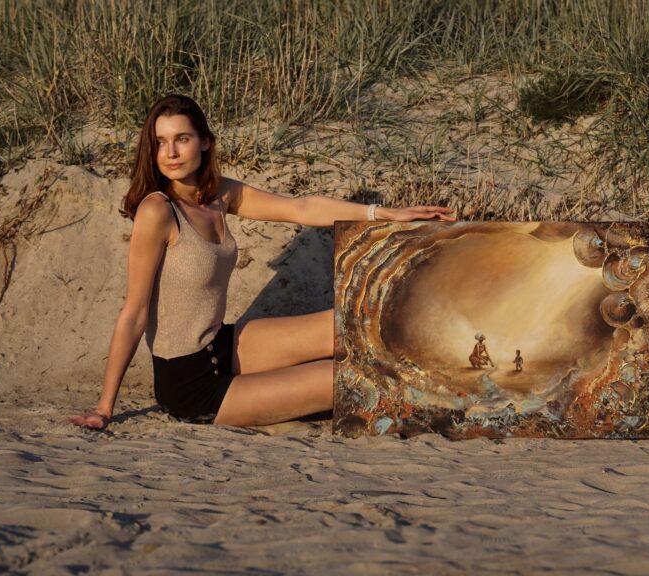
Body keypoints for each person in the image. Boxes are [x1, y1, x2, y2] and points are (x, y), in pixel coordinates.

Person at [71, 94, 455, 430]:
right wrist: (105, 408)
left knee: (351, 324)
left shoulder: (217, 194)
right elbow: (134, 313)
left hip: (222, 345)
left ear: (204, 142)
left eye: (182, 139)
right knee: (343, 379)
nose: (170, 153)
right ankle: (458, 396)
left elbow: (299, 208)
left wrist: (383, 214)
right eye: (160, 142)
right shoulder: (157, 211)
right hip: (189, 383)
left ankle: (461, 355)